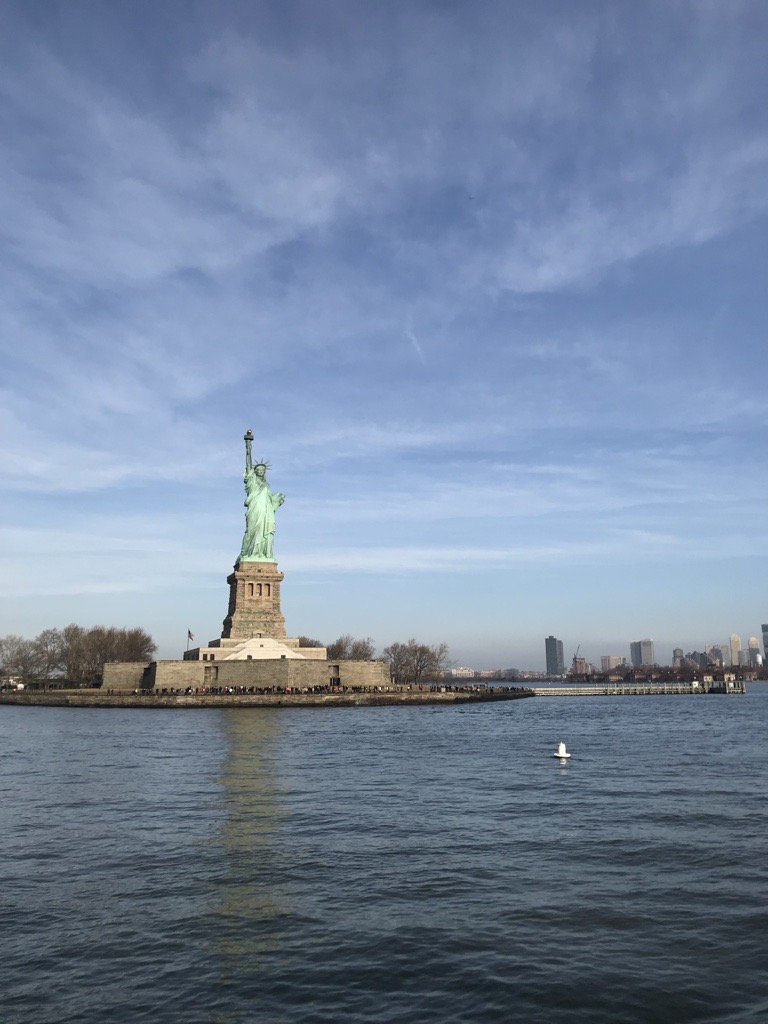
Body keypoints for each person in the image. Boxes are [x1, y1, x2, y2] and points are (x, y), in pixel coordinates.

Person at [239, 432, 285, 561]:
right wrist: (248, 447)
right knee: (251, 531)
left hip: (265, 512)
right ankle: (248, 553)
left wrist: (277, 501)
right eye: (258, 469)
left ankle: (262, 554)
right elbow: (248, 465)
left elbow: (270, 502)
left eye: (262, 470)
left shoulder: (267, 486)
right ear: (255, 471)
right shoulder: (252, 481)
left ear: (264, 472)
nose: (260, 471)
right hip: (254, 509)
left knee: (265, 532)